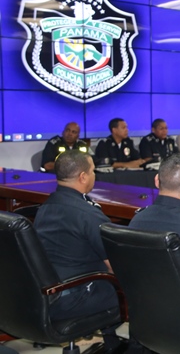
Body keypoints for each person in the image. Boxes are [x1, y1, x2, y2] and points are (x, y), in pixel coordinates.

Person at [33, 150, 121, 350]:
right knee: (134, 290)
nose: (94, 175)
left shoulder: (44, 208)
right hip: (75, 298)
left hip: (43, 296)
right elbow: (115, 265)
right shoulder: (88, 214)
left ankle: (110, 342)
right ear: (83, 177)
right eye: (92, 171)